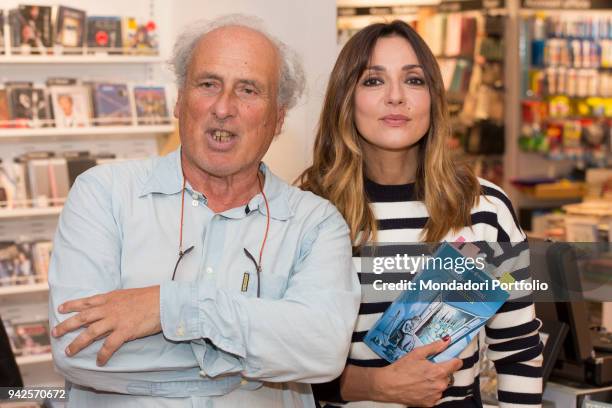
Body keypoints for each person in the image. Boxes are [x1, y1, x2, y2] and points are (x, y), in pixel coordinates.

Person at [49, 15, 360, 408]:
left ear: (278, 118)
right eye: (208, 84)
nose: (223, 107)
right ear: (180, 100)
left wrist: (169, 308)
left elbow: (322, 352)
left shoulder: (315, 224)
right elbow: (77, 349)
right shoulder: (103, 195)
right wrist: (253, 361)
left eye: (248, 90)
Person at [299, 20, 543, 407]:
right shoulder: (308, 211)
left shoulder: (484, 210)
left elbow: (518, 352)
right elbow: (284, 367)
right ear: (346, 97)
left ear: (433, 96)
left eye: (414, 80)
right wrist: (375, 386)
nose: (396, 97)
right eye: (373, 81)